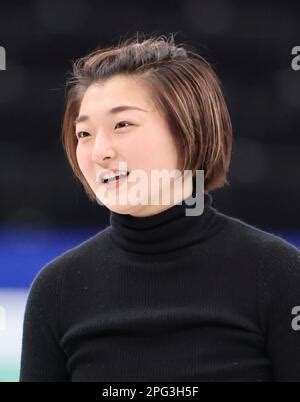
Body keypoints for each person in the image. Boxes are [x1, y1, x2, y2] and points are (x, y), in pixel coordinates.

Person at [19, 33, 300, 382]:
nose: (99, 152)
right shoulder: (57, 290)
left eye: (122, 125)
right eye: (84, 134)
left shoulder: (278, 274)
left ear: (189, 130)